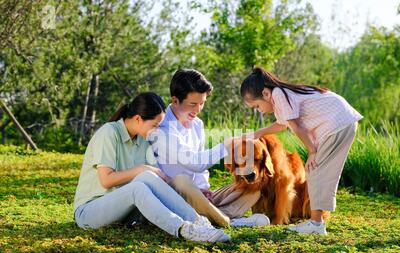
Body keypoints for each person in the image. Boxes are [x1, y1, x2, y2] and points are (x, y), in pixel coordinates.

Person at [73, 92, 231, 243]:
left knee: (147, 177)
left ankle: (198, 221)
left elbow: (156, 179)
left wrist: (191, 189)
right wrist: (142, 169)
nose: (156, 131)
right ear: (138, 119)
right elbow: (106, 180)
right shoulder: (109, 132)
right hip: (89, 212)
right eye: (154, 125)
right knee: (139, 185)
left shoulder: (143, 140)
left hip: (125, 211)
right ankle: (183, 229)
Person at [240, 67, 363, 235]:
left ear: (266, 94)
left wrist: (312, 151)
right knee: (316, 171)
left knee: (316, 170)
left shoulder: (279, 95)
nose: (258, 110)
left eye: (257, 105)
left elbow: (296, 127)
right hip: (341, 123)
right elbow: (283, 124)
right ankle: (316, 222)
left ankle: (316, 224)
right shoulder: (281, 95)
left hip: (337, 124)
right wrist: (258, 133)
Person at [149, 69, 270, 228]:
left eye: (202, 103)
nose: (198, 109)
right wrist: (226, 145)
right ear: (175, 100)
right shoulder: (163, 128)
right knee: (181, 181)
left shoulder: (197, 124)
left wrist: (204, 188)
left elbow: (200, 164)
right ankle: (228, 221)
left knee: (252, 189)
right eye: (193, 104)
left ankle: (209, 215)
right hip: (173, 195)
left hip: (196, 196)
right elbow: (195, 163)